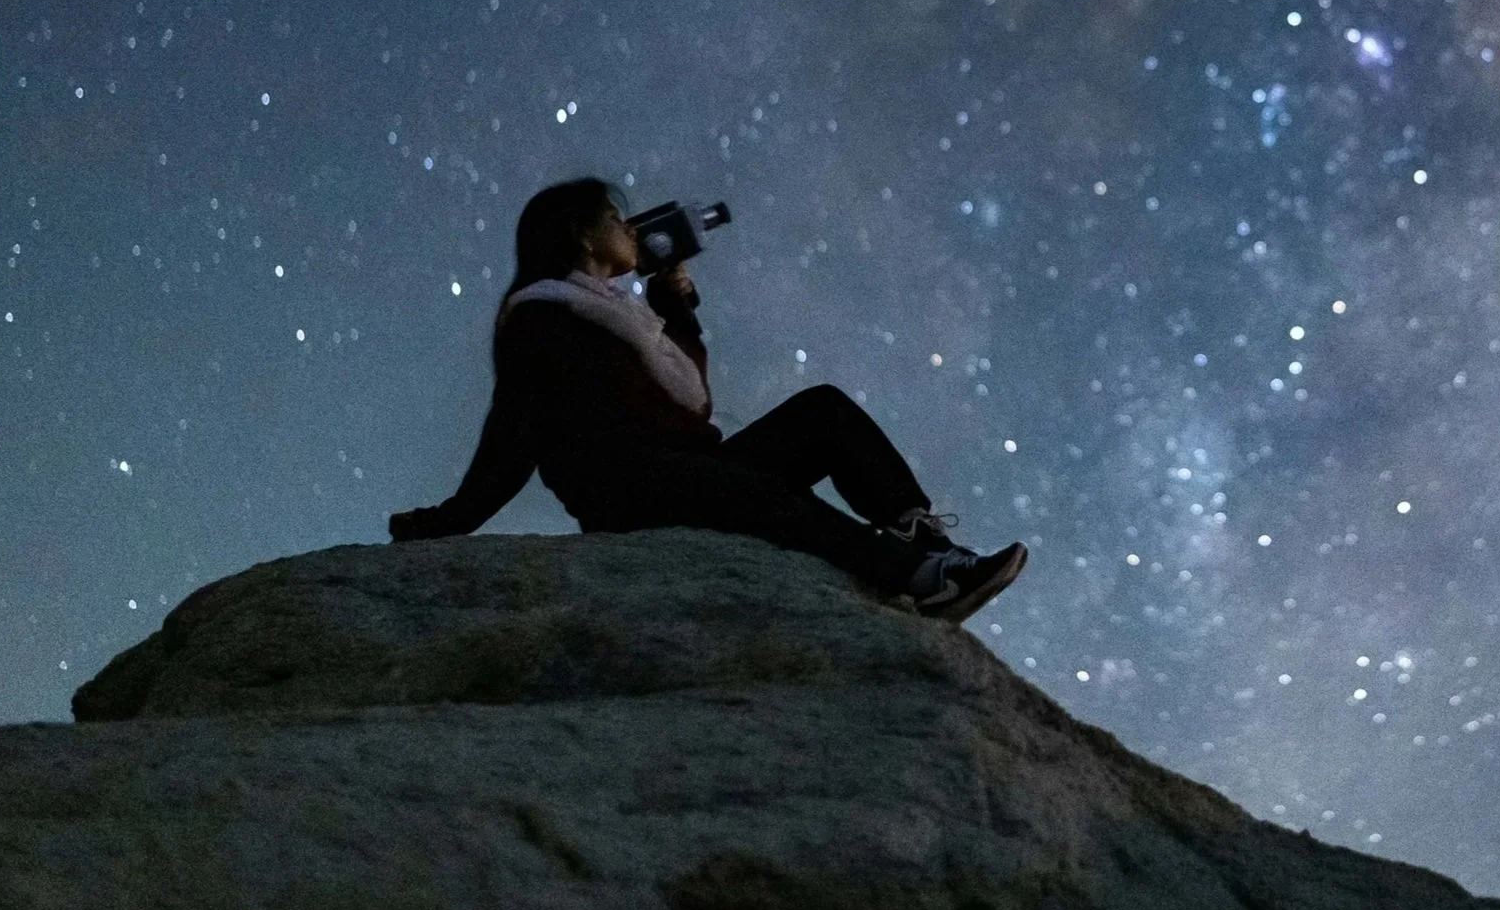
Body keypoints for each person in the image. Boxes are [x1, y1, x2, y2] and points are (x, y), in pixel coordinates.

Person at [388, 177, 1026, 623]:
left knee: (823, 412)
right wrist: (452, 518)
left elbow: (689, 400)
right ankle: (918, 578)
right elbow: (515, 426)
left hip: (688, 466)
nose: (628, 228)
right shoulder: (542, 316)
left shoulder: (623, 315)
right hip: (626, 485)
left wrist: (674, 304)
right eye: (613, 218)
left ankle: (925, 539)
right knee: (762, 496)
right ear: (581, 236)